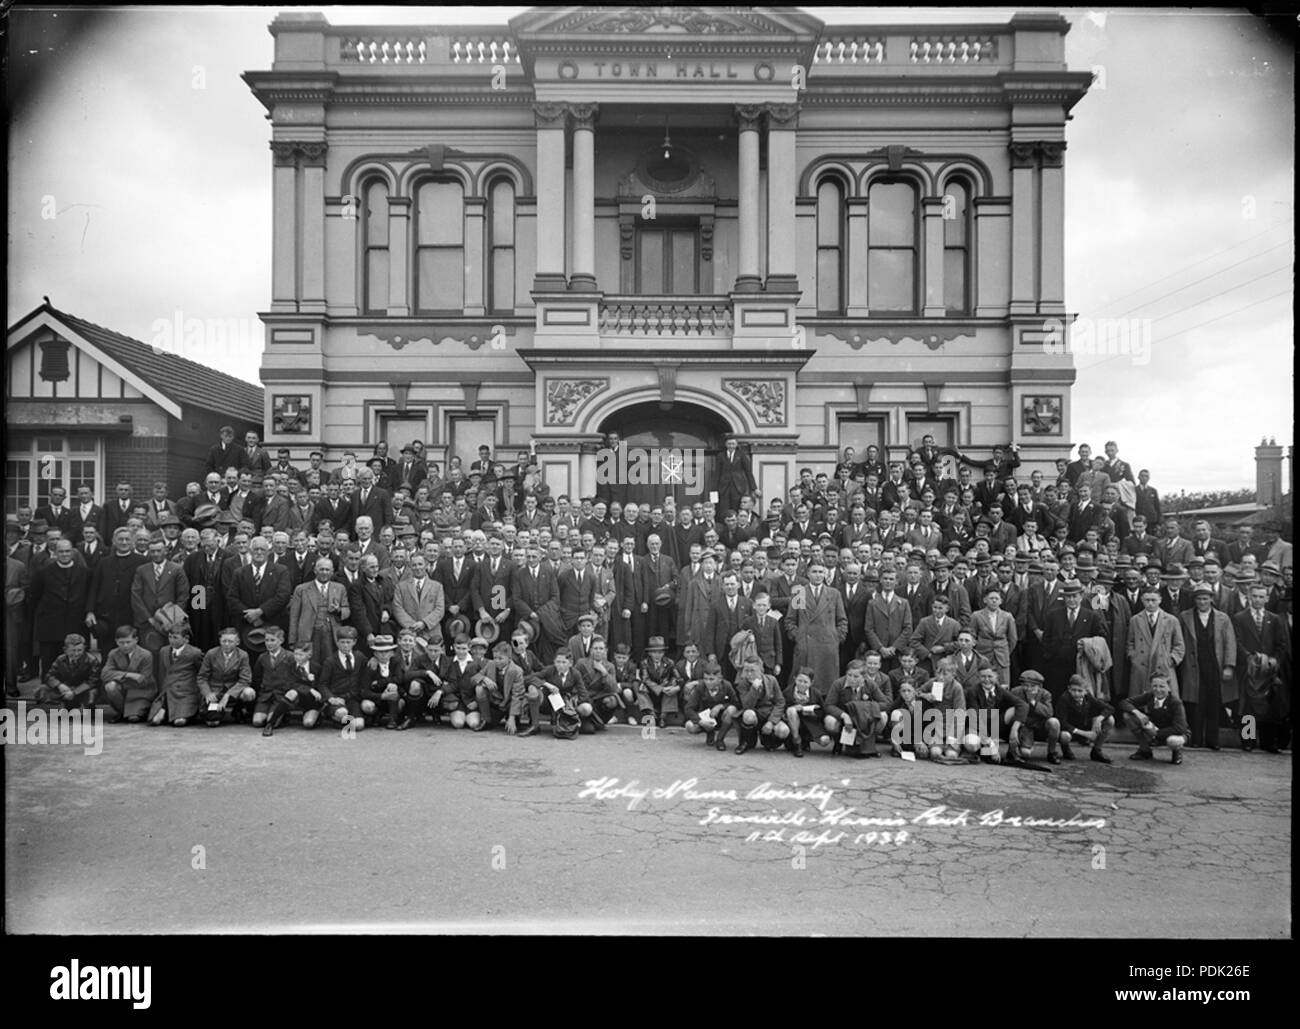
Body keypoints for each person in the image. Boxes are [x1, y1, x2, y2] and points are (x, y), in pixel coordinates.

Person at [1178, 584, 1236, 749]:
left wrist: (1229, 666)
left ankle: (1213, 740)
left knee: (1214, 703)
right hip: (1193, 666)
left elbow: (1230, 643)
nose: (1202, 602)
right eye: (1198, 598)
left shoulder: (1223, 618)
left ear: (1211, 599)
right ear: (1194, 600)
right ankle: (1196, 739)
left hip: (1214, 666)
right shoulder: (1185, 617)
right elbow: (1180, 640)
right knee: (1196, 704)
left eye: (1205, 598)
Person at [1127, 587, 1186, 698]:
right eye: (1147, 600)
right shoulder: (1135, 620)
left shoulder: (1171, 620)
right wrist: (1133, 657)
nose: (1150, 603)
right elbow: (1130, 642)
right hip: (1141, 666)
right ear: (1142, 600)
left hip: (1163, 665)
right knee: (1141, 700)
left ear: (1160, 600)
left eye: (1153, 600)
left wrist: (1171, 659)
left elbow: (1179, 645)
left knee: (1165, 700)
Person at [823, 659, 888, 759]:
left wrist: (865, 707)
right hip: (845, 718)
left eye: (856, 676)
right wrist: (844, 715)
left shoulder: (870, 684)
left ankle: (870, 746)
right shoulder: (838, 684)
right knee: (830, 721)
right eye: (849, 675)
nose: (852, 679)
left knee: (883, 716)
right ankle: (838, 742)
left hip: (865, 718)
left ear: (864, 677)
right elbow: (828, 705)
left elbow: (885, 704)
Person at [1121, 676, 1188, 764]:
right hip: (1154, 727)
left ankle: (1176, 752)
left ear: (1169, 687)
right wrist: (1138, 713)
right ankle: (1145, 750)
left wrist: (1157, 733)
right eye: (1154, 686)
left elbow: (1180, 728)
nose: (1158, 689)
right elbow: (1124, 702)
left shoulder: (1176, 702)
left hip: (1172, 732)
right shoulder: (1150, 696)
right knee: (1128, 716)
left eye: (1162, 686)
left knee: (1173, 741)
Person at [195, 626, 254, 726]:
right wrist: (208, 693)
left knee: (249, 693)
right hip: (215, 691)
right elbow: (202, 677)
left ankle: (238, 709)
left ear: (237, 642)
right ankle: (214, 711)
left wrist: (228, 695)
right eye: (224, 641)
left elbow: (245, 680)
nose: (226, 644)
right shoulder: (211, 654)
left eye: (230, 641)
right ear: (220, 641)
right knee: (212, 722)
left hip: (233, 691)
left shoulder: (243, 655)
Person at [149, 625, 204, 727]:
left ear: (186, 639)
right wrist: (162, 691)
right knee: (155, 721)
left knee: (179, 722)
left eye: (175, 637)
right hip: (167, 692)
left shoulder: (195, 653)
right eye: (170, 637)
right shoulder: (164, 651)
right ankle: (165, 709)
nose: (171, 640)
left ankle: (186, 713)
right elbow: (162, 673)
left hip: (185, 694)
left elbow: (201, 674)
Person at [100, 625, 158, 722]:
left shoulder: (146, 655)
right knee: (110, 686)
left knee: (133, 718)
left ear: (136, 640)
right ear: (116, 641)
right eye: (121, 643)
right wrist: (129, 675)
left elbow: (144, 680)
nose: (125, 646)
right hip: (124, 691)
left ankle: (134, 712)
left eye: (128, 642)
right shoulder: (113, 653)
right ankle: (122, 712)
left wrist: (119, 678)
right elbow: (104, 674)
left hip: (141, 692)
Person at [731, 657, 788, 755]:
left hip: (769, 713)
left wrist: (771, 721)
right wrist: (754, 689)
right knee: (748, 715)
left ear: (761, 670)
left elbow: (780, 702)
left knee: (784, 731)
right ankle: (746, 742)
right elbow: (747, 705)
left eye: (752, 671)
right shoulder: (742, 683)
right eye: (746, 670)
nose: (749, 674)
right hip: (754, 713)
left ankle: (769, 741)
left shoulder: (772, 680)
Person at [1054, 674, 1114, 762]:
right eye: (1073, 690)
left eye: (1080, 691)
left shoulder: (1087, 697)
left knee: (1110, 720)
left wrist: (1099, 718)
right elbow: (1063, 722)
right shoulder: (1064, 699)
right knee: (1064, 736)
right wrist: (1085, 734)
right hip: (1070, 729)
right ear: (1069, 689)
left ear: (1085, 691)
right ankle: (1065, 749)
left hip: (1084, 724)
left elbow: (1110, 708)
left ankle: (1096, 750)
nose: (1076, 694)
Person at [34, 633, 100, 710]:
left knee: (93, 692)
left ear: (84, 648)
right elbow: (49, 676)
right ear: (65, 650)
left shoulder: (92, 660)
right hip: (66, 689)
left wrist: (74, 692)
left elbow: (93, 681)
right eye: (73, 650)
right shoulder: (60, 659)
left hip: (83, 690)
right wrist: (59, 685)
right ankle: (64, 705)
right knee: (42, 690)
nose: (76, 653)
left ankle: (86, 707)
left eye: (79, 650)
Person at [685, 658, 740, 749]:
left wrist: (720, 706)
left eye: (711, 679)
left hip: (722, 717)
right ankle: (710, 733)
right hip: (706, 717)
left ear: (720, 679)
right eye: (705, 679)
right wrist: (700, 721)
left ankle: (720, 739)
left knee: (732, 710)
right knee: (689, 726)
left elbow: (736, 703)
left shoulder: (727, 686)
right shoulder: (700, 687)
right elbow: (688, 708)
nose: (708, 682)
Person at [1007, 669, 1059, 763]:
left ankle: (1052, 752)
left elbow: (1049, 712)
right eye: (1026, 685)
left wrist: (1033, 702)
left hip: (1041, 723)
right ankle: (1014, 750)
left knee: (1054, 722)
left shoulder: (1045, 694)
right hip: (1025, 725)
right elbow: (1010, 710)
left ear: (1040, 686)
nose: (1029, 689)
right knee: (1025, 753)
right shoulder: (1015, 692)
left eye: (1032, 686)